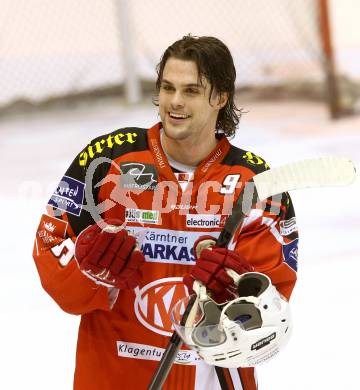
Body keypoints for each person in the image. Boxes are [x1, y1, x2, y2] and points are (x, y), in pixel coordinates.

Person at [33, 35, 298, 390]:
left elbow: (270, 322)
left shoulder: (254, 182)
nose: (174, 102)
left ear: (220, 97)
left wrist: (235, 289)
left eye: (191, 91)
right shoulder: (108, 160)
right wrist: (90, 272)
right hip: (114, 376)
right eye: (167, 88)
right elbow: (50, 253)